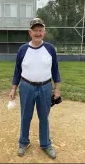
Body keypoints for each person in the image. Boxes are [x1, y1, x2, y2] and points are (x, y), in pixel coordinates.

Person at [9, 17, 61, 159]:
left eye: (40, 30)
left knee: (44, 117)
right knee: (25, 116)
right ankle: (23, 142)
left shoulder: (50, 49)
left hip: (45, 87)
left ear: (44, 31)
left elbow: (55, 69)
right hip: (26, 87)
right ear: (30, 32)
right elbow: (17, 70)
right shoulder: (23, 50)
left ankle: (45, 144)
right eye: (35, 30)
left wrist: (57, 88)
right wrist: (13, 88)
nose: (38, 33)